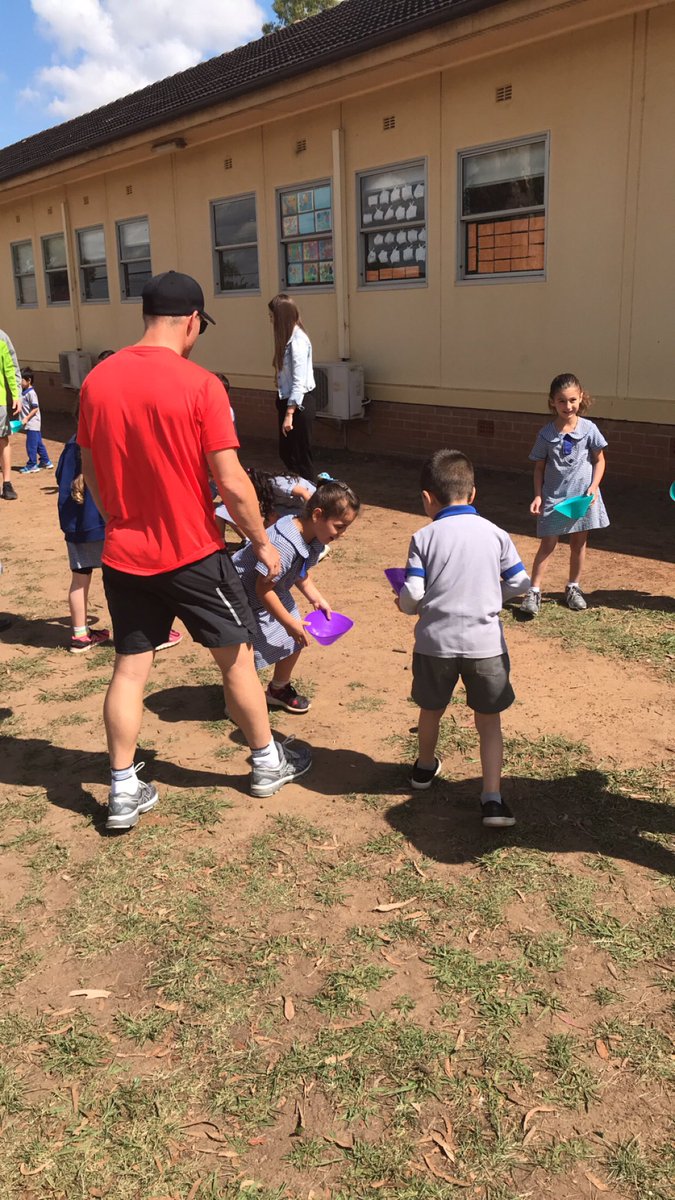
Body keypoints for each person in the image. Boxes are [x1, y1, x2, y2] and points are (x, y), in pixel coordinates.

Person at [78, 270, 312, 831]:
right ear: (190, 321)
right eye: (198, 328)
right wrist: (262, 543)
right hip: (191, 552)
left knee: (130, 670)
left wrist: (117, 519)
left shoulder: (97, 381)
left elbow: (90, 470)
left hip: (125, 554)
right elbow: (231, 483)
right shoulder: (201, 385)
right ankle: (264, 762)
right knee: (235, 660)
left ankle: (122, 789)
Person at [397, 449, 530, 828]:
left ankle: (424, 769)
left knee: (431, 710)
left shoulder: (423, 537)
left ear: (427, 498)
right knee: (489, 722)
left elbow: (413, 596)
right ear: (473, 494)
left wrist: (403, 605)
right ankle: (492, 799)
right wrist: (493, 597)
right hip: (485, 646)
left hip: (434, 645)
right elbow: (520, 581)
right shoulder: (497, 534)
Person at [233, 479, 359, 714]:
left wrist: (315, 597)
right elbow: (262, 588)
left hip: (273, 589)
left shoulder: (313, 537)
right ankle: (238, 702)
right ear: (318, 515)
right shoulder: (284, 543)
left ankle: (278, 689)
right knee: (244, 654)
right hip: (244, 596)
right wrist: (288, 622)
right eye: (339, 526)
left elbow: (299, 571)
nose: (342, 534)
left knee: (296, 637)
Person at [520, 373, 609, 617]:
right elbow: (539, 467)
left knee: (579, 543)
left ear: (581, 398)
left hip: (582, 498)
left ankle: (573, 588)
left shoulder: (590, 430)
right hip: (554, 498)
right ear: (552, 402)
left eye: (572, 400)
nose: (567, 406)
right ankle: (534, 591)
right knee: (548, 543)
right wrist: (538, 496)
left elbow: (599, 461)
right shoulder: (546, 434)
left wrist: (593, 486)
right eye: (561, 401)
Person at [268, 293, 316, 482]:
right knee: (287, 453)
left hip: (298, 405)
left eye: (272, 316)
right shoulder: (287, 339)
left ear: (281, 317)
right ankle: (300, 492)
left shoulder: (298, 341)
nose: (270, 320)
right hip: (287, 402)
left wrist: (290, 413)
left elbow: (299, 380)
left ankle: (309, 495)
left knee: (300, 455)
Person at [18, 369, 53, 474]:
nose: (19, 382)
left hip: (32, 424)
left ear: (28, 380)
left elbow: (35, 408)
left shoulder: (31, 393)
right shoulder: (23, 392)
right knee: (38, 443)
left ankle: (32, 465)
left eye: (21, 380)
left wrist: (26, 418)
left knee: (31, 445)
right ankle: (45, 461)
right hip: (31, 424)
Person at [0, 326, 21, 500]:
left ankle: (7, 483)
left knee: (2, 439)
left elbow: (11, 368)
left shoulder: (1, 337)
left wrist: (16, 395)